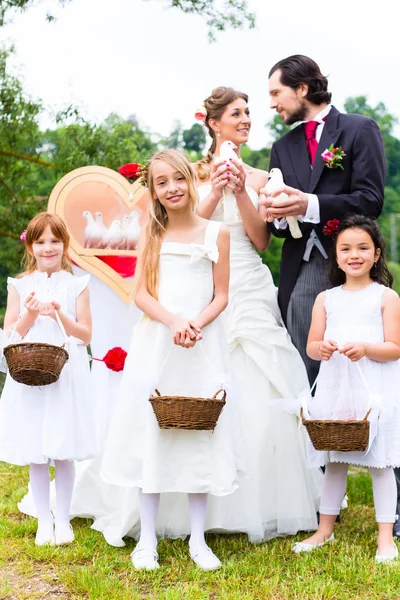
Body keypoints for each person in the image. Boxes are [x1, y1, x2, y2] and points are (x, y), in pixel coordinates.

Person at [100, 149, 244, 571]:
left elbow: (221, 294)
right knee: (153, 432)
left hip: (200, 344)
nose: (172, 189)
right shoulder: (152, 234)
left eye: (178, 179)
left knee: (199, 428)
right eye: (161, 183)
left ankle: (199, 539)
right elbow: (142, 293)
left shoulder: (215, 233)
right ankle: (146, 538)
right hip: (159, 342)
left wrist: (194, 324)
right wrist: (172, 322)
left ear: (190, 179)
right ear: (154, 191)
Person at [193, 86, 322, 542]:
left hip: (248, 280)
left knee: (265, 373)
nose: (246, 119)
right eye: (236, 113)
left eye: (249, 112)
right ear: (212, 122)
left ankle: (268, 497)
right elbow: (189, 231)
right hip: (201, 278)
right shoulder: (189, 173)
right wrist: (214, 188)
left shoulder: (261, 176)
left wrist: (242, 191)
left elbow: (262, 241)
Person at [262, 54, 386, 387]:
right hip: (299, 270)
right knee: (305, 371)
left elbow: (370, 201)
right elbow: (276, 228)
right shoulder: (281, 147)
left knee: (362, 370)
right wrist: (274, 214)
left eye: (276, 93)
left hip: (353, 266)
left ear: (302, 88)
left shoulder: (359, 129)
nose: (271, 103)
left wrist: (309, 204)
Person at [293, 215, 400, 563]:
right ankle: (325, 529)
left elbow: (395, 347)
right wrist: (320, 348)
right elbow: (311, 345)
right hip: (337, 389)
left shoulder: (386, 297)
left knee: (380, 463)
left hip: (374, 389)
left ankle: (386, 537)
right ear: (336, 257)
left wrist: (367, 348)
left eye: (363, 248)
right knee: (335, 458)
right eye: (346, 249)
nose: (355, 255)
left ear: (377, 254)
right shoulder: (326, 299)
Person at [0, 212, 96, 546]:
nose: (48, 248)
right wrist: (29, 311)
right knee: (37, 449)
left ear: (64, 244)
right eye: (41, 242)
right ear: (31, 246)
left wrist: (59, 312)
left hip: (65, 374)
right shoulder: (19, 285)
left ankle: (64, 519)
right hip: (30, 375)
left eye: (55, 241)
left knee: (62, 448)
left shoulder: (77, 285)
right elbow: (10, 335)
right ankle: (44, 520)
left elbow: (85, 334)